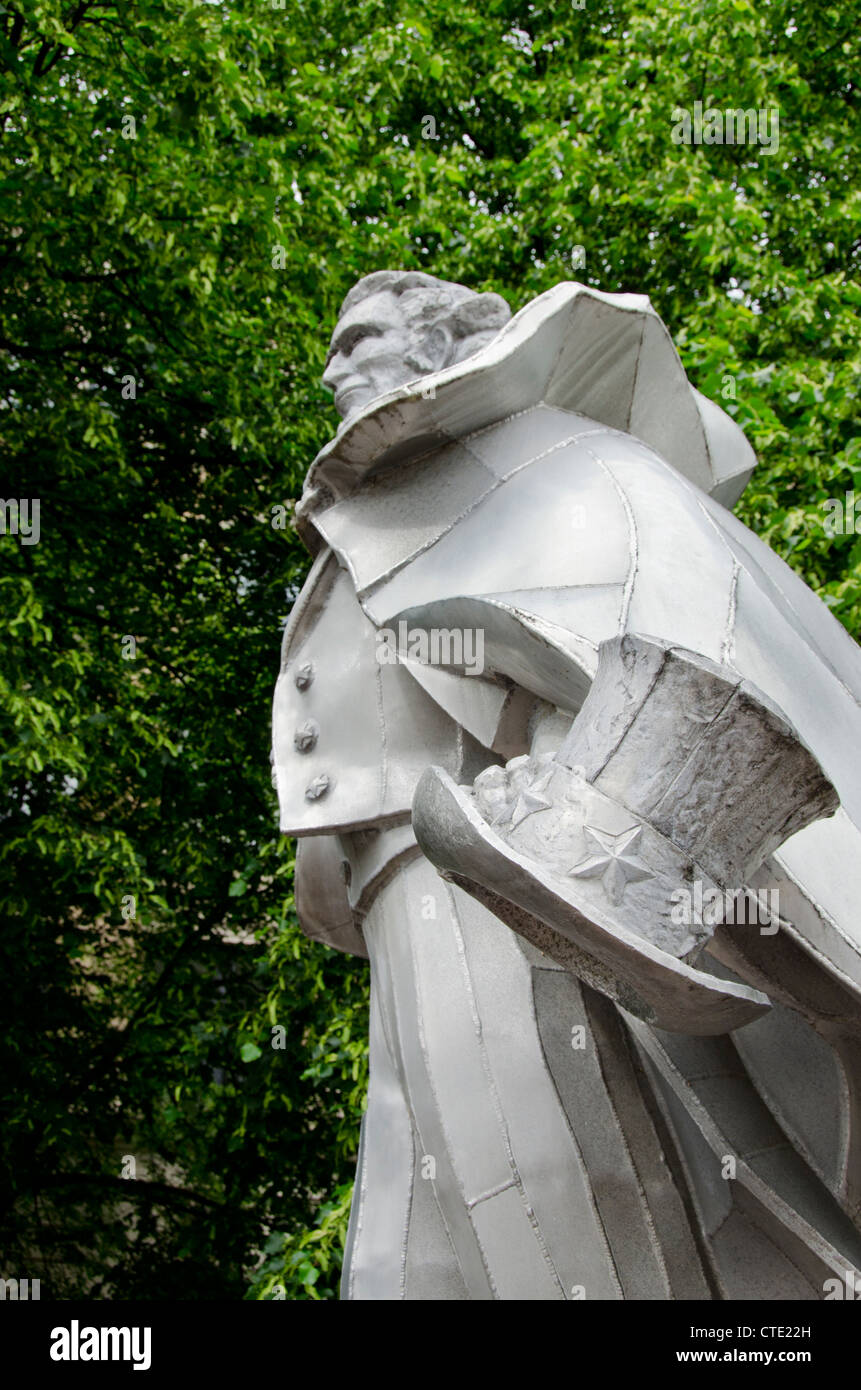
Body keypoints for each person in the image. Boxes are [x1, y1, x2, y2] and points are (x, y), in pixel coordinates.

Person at [272, 270, 861, 1299]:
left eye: (362, 335)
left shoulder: (541, 464)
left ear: (439, 339)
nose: (335, 367)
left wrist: (597, 839)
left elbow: (665, 607)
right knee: (413, 1250)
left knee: (549, 1219)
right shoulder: (375, 519)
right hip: (402, 916)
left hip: (494, 896)